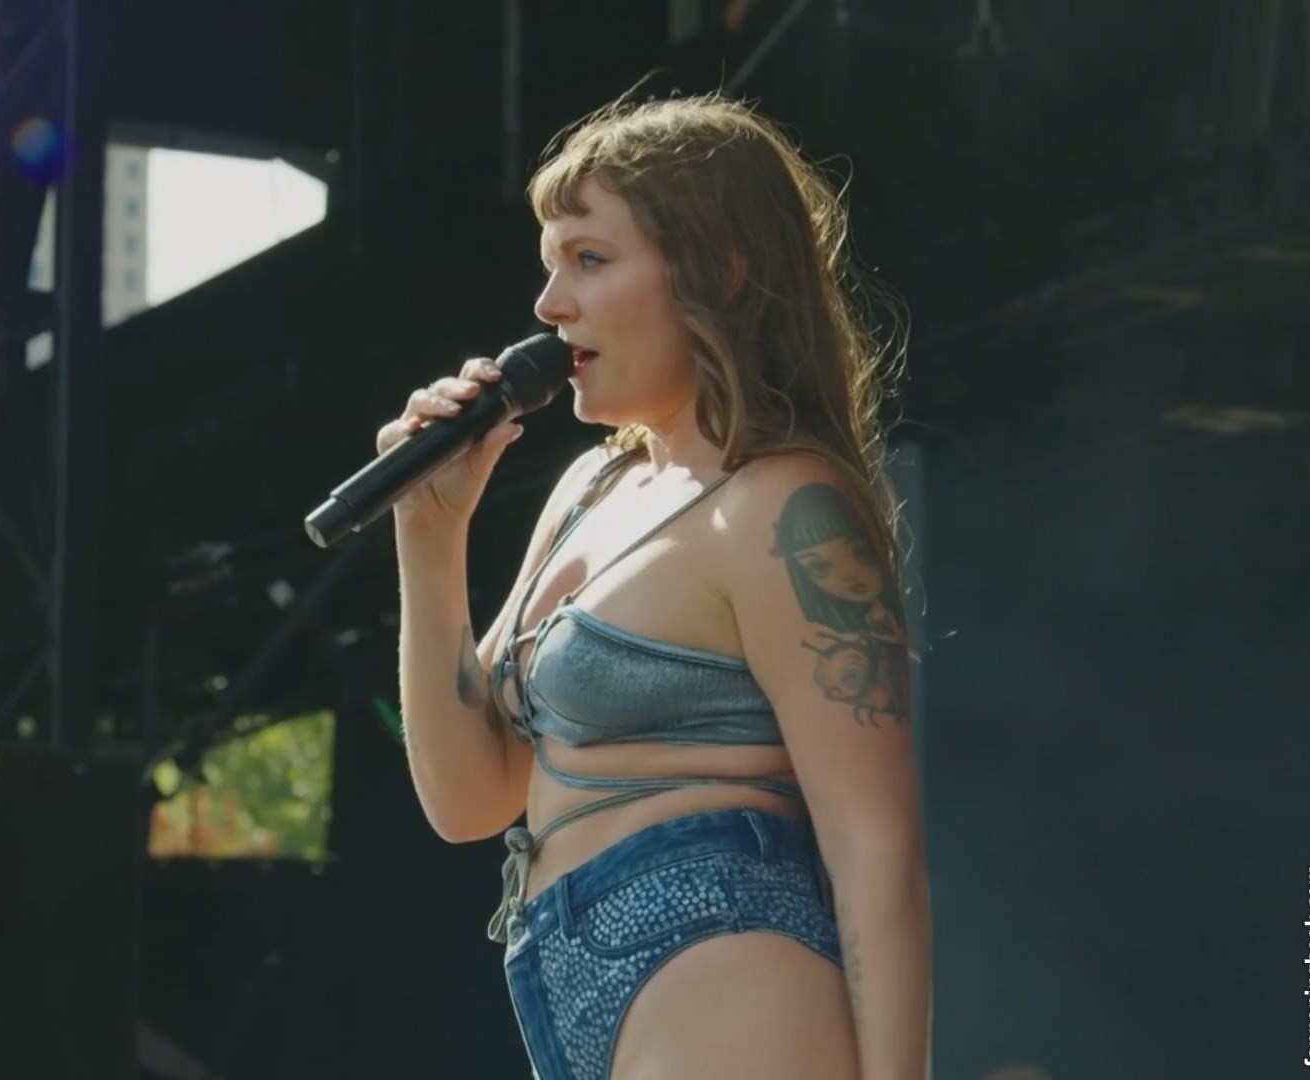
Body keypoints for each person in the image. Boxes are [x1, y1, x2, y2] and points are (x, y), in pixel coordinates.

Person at [377, 92, 930, 1079]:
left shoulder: (783, 505)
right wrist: (429, 535)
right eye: (550, 265)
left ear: (721, 269)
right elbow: (469, 799)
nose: (550, 305)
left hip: (724, 961)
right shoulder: (591, 488)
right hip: (565, 970)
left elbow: (874, 845)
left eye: (589, 259)